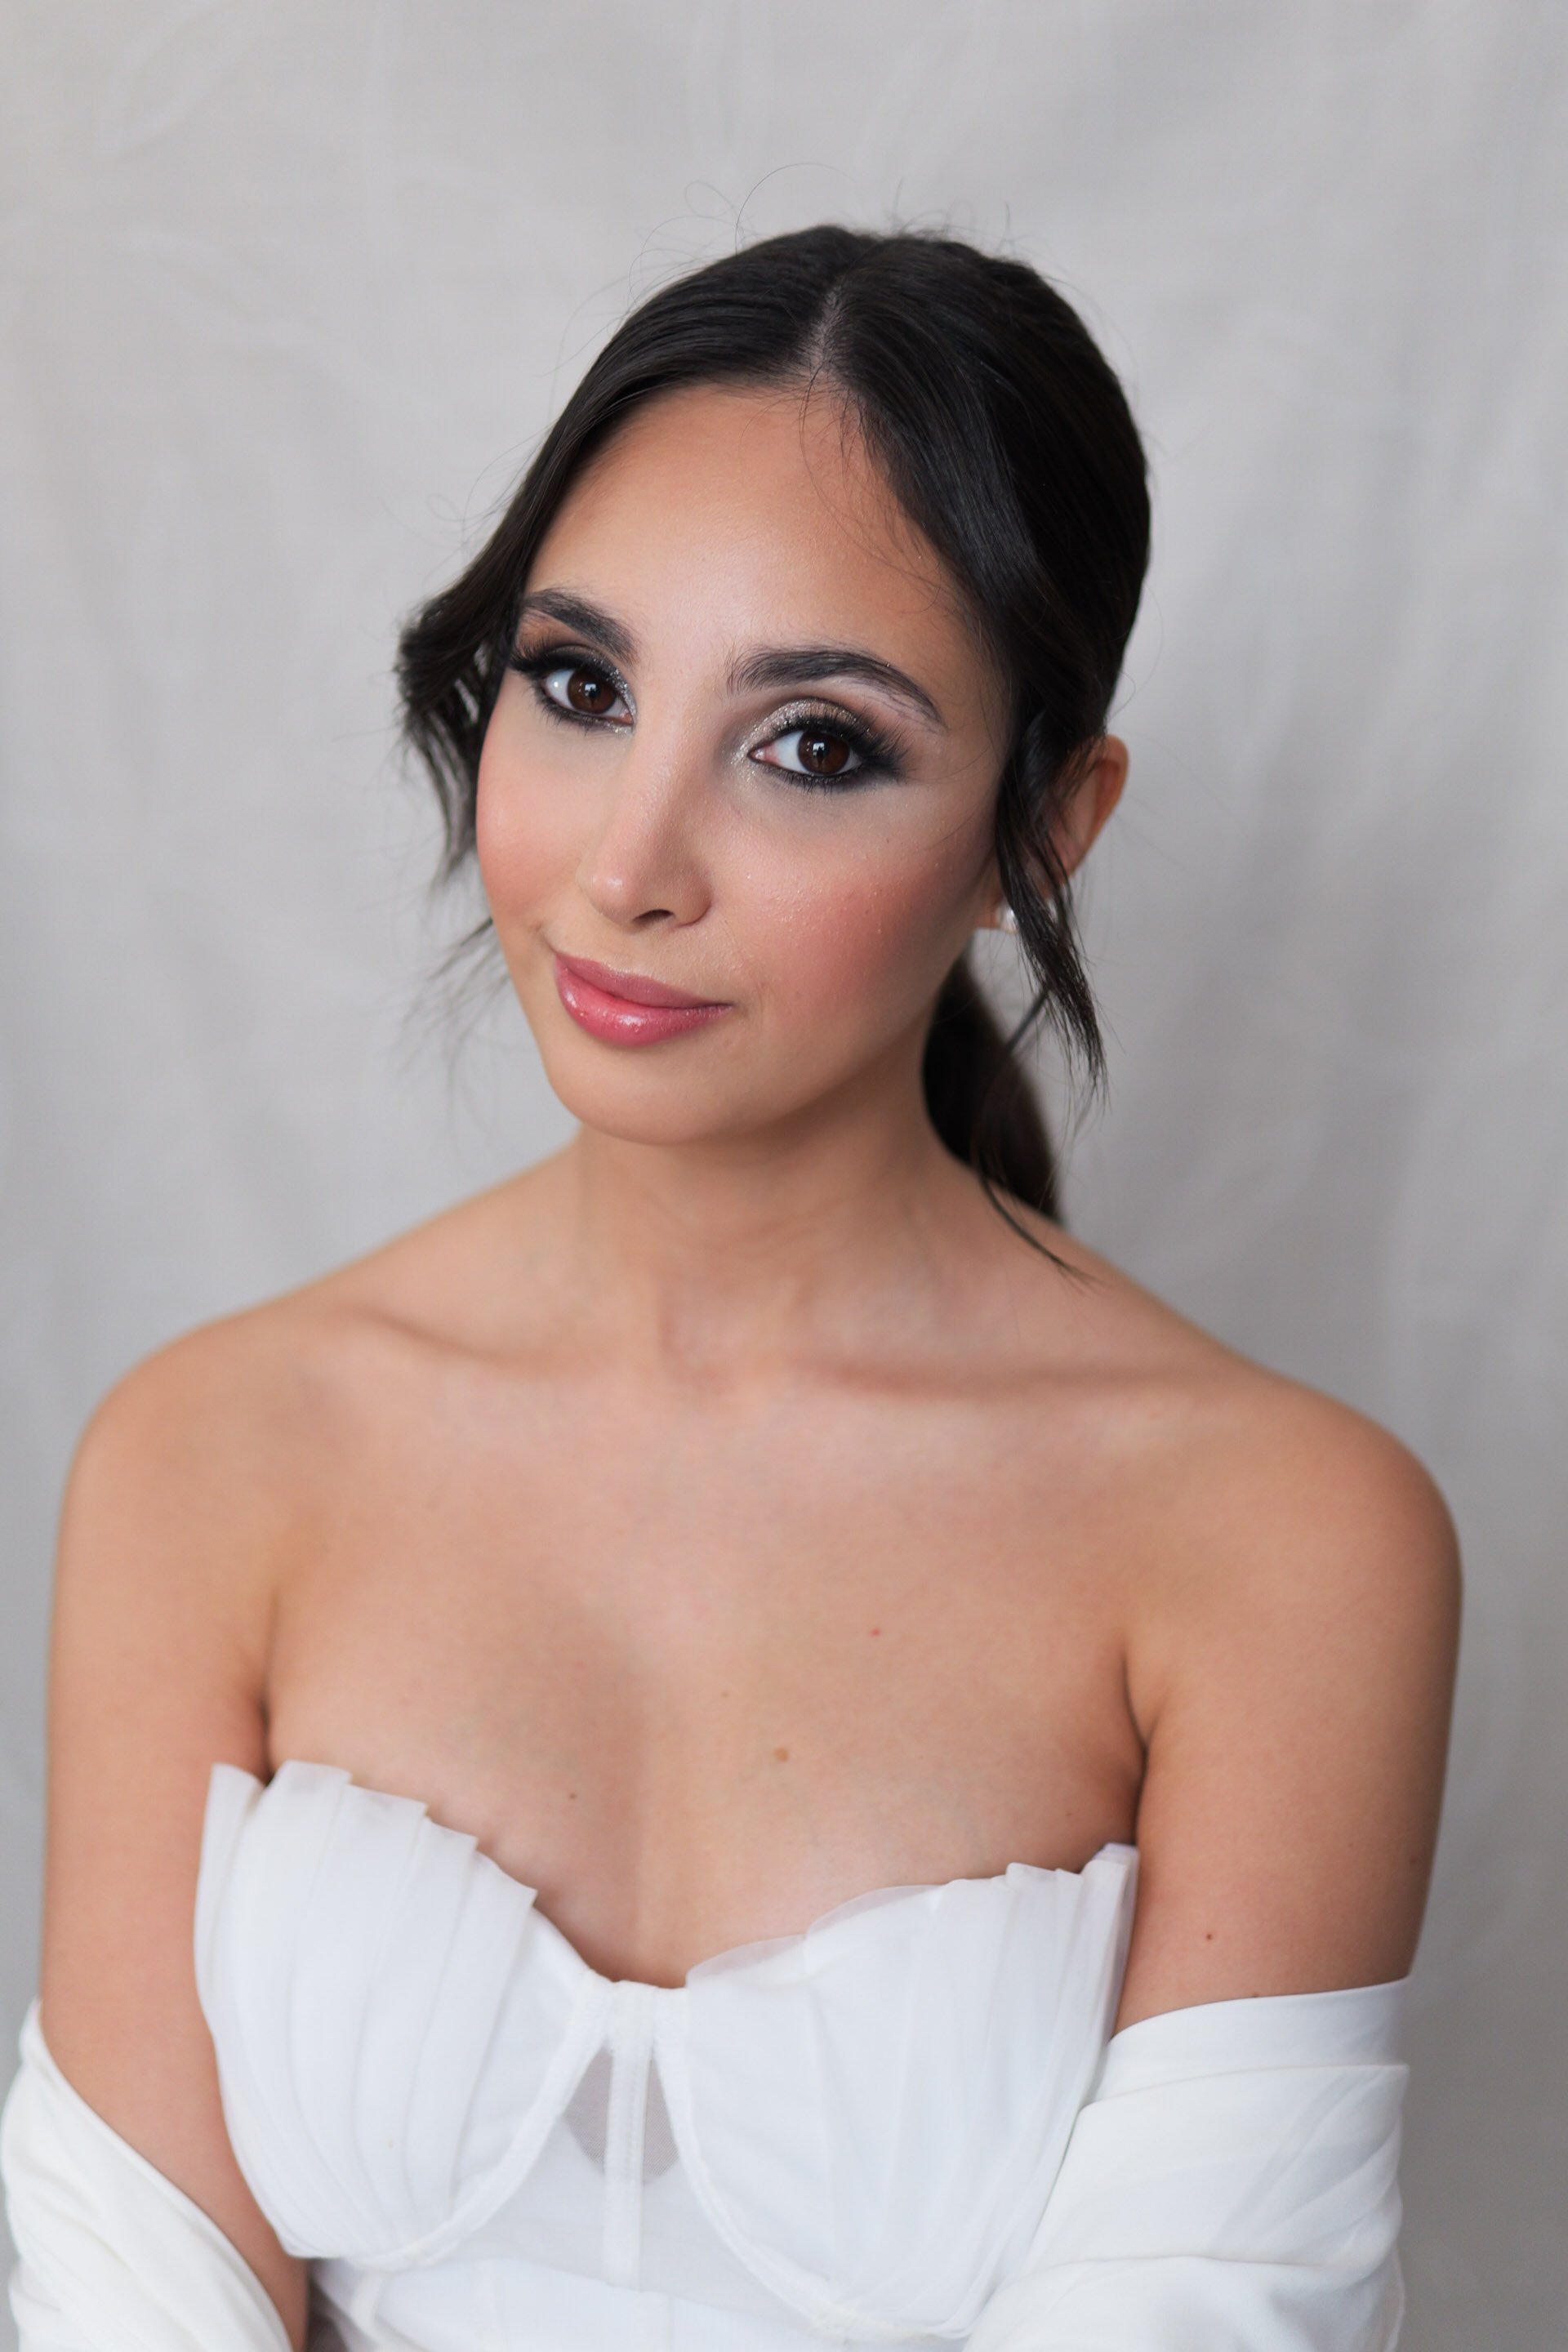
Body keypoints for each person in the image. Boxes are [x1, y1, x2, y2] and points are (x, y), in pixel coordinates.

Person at [2, 226, 1458, 2352]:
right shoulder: (209, 1459)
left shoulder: (1285, 1541)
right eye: (581, 687)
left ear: (1046, 829)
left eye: (815, 746)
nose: (627, 863)